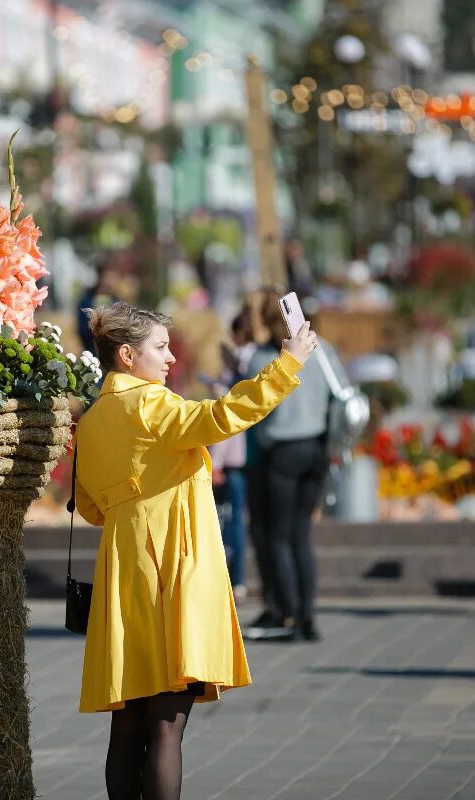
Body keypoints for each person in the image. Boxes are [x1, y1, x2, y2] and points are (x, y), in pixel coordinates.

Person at [74, 301, 317, 800]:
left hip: (124, 567)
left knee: (129, 720)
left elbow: (93, 509)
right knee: (166, 720)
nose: (169, 359)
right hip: (170, 564)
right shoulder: (152, 405)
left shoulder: (95, 419)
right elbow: (224, 415)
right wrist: (288, 362)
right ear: (126, 355)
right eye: (159, 348)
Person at [244, 295, 333, 641]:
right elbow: (338, 393)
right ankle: (309, 616)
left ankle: (290, 614)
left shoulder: (264, 357)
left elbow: (251, 405)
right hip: (316, 447)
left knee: (278, 537)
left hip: (280, 450)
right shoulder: (321, 349)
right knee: (301, 536)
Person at [208, 311, 258, 600]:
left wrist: (215, 462)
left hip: (231, 458)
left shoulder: (237, 365)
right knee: (239, 518)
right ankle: (237, 578)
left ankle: (231, 577)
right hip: (250, 455)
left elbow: (226, 420)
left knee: (229, 519)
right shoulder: (261, 359)